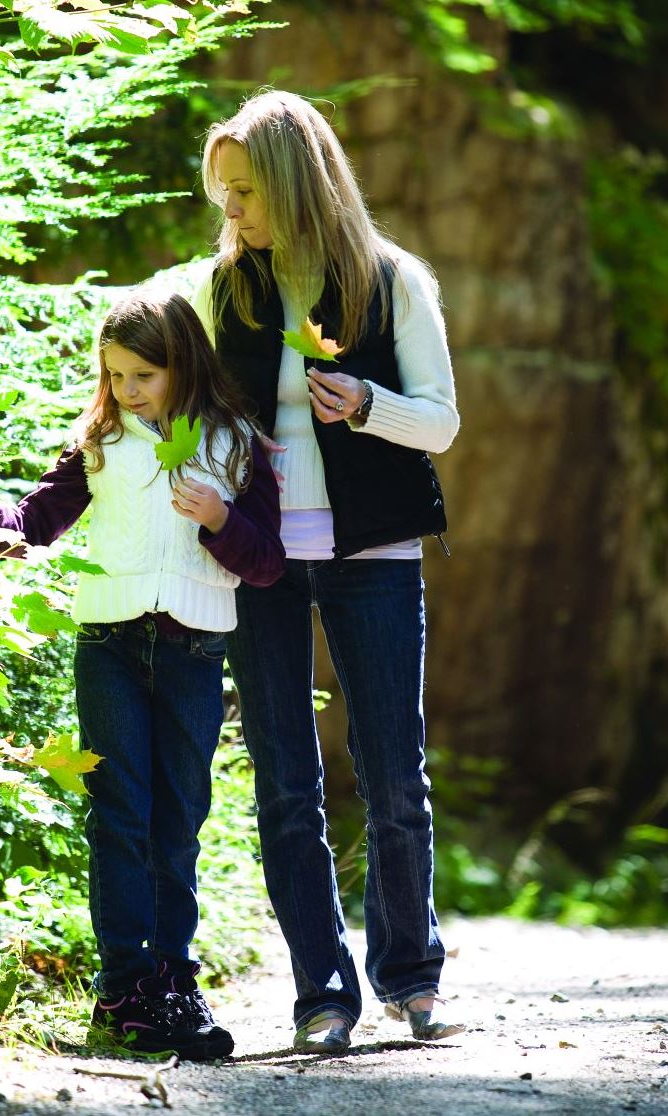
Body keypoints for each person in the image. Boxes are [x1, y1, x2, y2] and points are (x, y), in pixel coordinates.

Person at [0, 287, 285, 1058]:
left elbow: (267, 563)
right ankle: (125, 993)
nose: (127, 391)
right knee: (120, 817)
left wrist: (221, 520)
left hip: (195, 651)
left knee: (179, 821)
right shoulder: (99, 441)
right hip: (110, 644)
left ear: (183, 365)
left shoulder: (233, 445)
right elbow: (37, 522)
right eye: (116, 375)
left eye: (144, 377)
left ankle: (175, 984)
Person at [193, 89, 463, 1052]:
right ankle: (323, 994)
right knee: (283, 783)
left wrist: (367, 402)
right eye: (222, 194)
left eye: (245, 193)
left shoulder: (392, 280)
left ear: (297, 184)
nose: (231, 212)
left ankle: (411, 975)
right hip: (262, 558)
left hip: (374, 552)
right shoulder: (226, 287)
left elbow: (439, 420)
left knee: (393, 772)